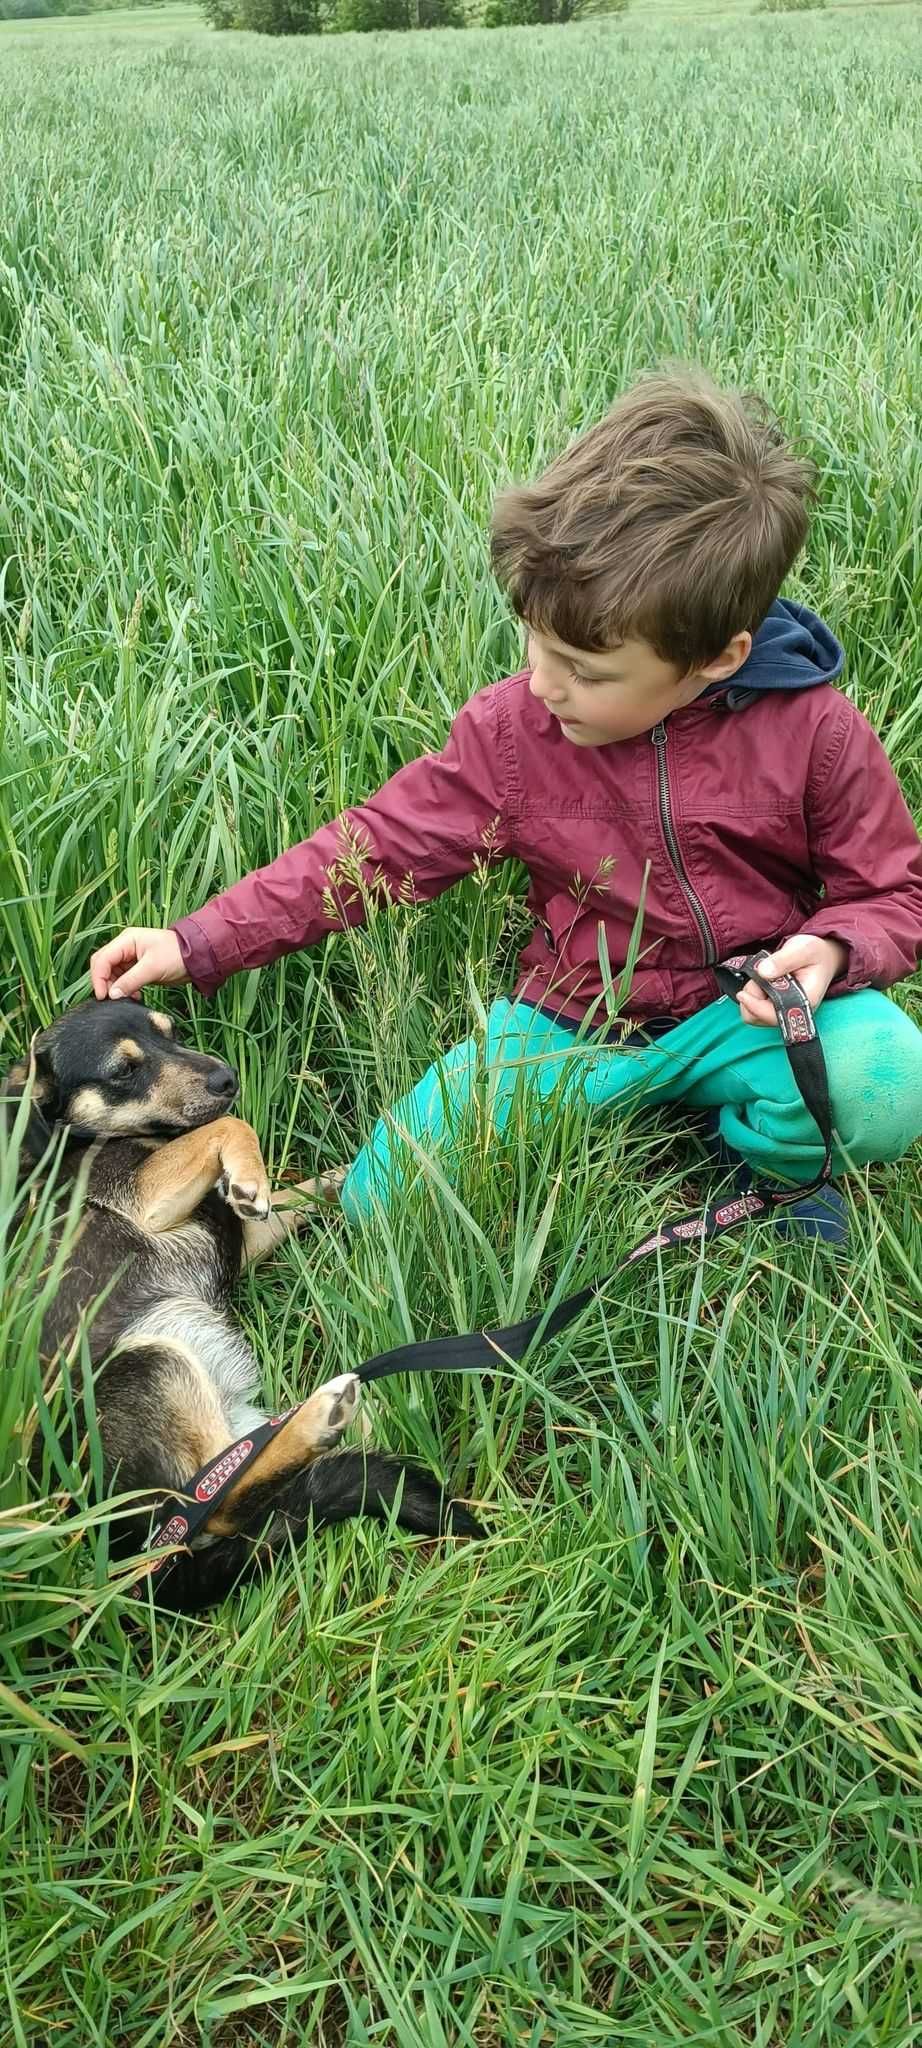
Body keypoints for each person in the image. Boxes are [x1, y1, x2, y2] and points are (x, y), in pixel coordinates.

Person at [89, 369, 922, 1244]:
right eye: (536, 640)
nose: (544, 681)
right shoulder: (512, 732)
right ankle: (650, 1107)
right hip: (574, 1020)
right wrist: (196, 941)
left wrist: (833, 946)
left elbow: (893, 894)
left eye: (589, 671)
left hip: (746, 1013)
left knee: (886, 1073)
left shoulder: (817, 732)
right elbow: (372, 850)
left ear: (717, 656)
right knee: (387, 1197)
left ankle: (776, 1164)